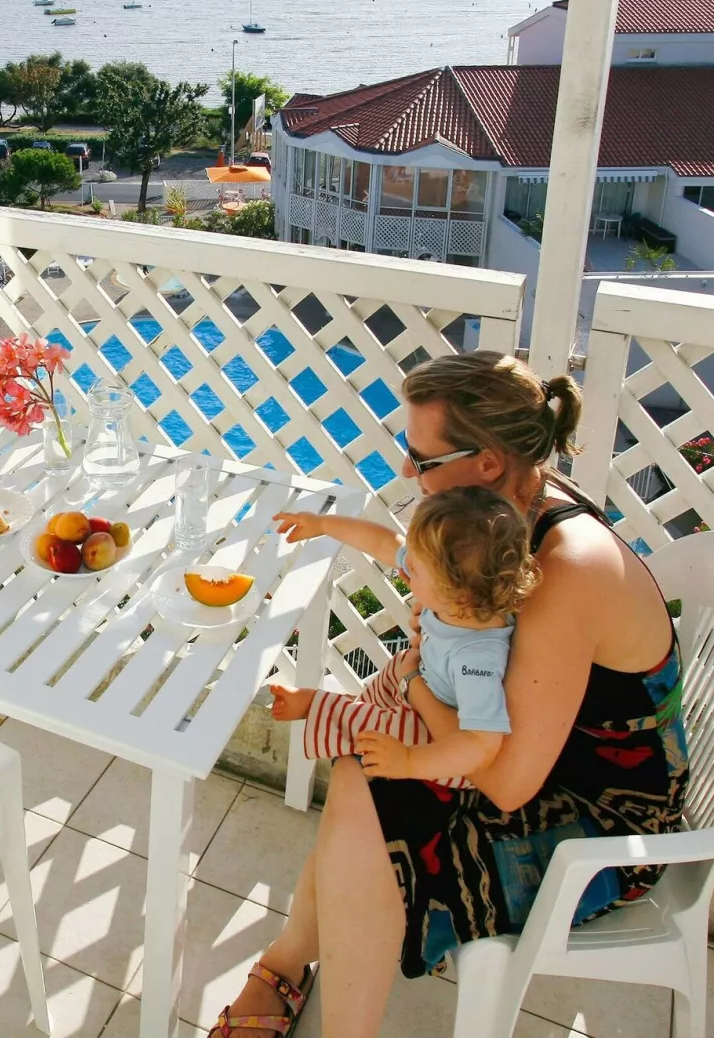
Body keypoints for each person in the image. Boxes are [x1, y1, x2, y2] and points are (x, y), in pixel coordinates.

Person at [211, 351, 687, 1038]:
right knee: (366, 773)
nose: (408, 472)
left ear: (489, 462)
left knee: (368, 780)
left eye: (422, 457)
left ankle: (306, 987)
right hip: (529, 744)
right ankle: (291, 962)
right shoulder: (492, 521)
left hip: (603, 811)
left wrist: (413, 676)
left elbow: (510, 784)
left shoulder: (566, 568)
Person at [269, 486, 538, 789]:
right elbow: (383, 541)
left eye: (415, 570)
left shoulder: (475, 658)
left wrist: (409, 760)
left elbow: (482, 744)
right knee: (394, 670)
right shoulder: (459, 596)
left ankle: (317, 707)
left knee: (381, 727)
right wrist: (322, 525)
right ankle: (357, 705)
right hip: (424, 679)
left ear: (457, 594)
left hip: (447, 748)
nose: (404, 571)